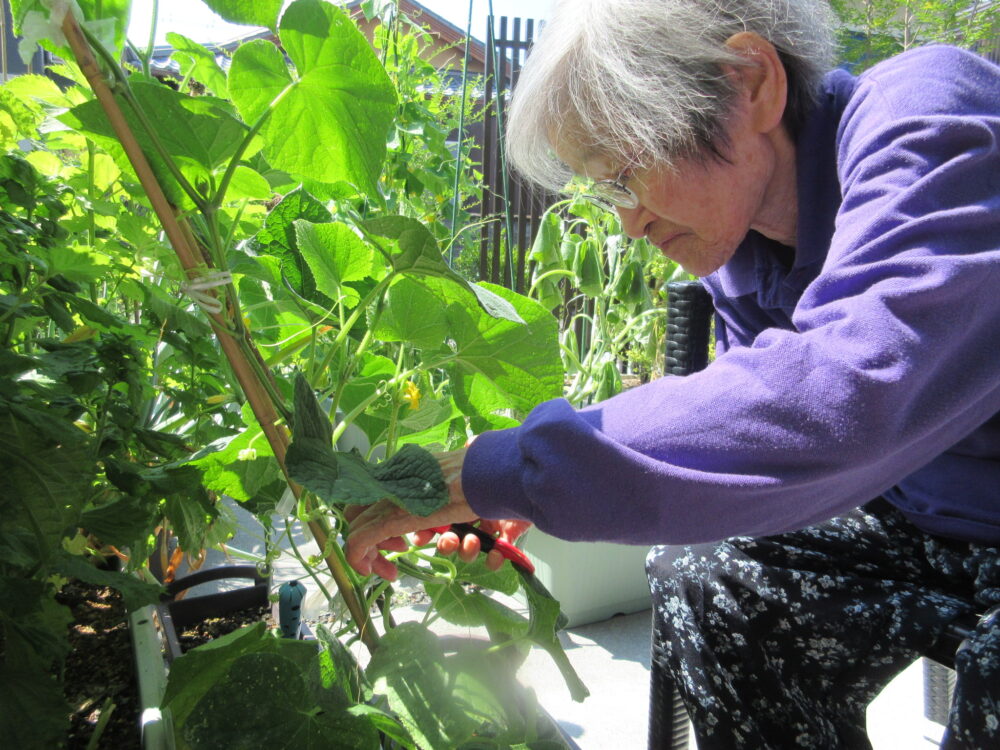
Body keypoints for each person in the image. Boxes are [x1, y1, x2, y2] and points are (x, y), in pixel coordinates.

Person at [346, 0, 1000, 746]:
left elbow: (843, 396)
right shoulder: (746, 251)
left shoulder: (929, 118)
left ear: (749, 83)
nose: (627, 221)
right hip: (925, 520)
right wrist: (571, 490)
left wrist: (507, 470)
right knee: (709, 579)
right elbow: (758, 455)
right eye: (605, 191)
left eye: (625, 172)